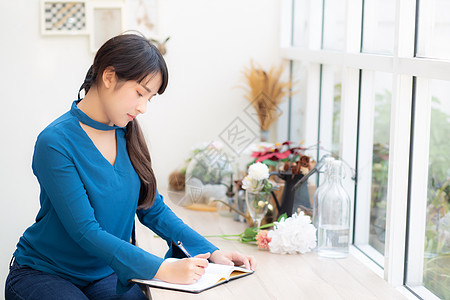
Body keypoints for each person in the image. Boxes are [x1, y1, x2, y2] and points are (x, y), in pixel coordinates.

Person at [5, 33, 255, 300]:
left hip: (105, 272)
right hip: (45, 272)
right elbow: (85, 230)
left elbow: (151, 207)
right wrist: (161, 269)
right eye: (139, 93)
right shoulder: (55, 142)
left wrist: (210, 252)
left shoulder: (128, 133)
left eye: (150, 98)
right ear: (109, 77)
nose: (143, 107)